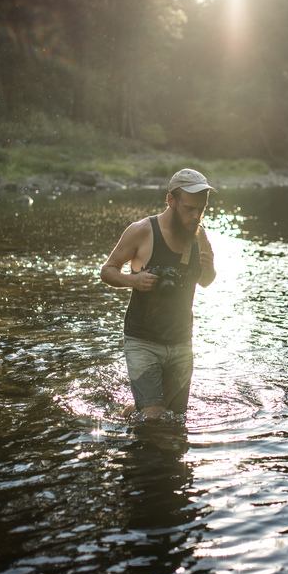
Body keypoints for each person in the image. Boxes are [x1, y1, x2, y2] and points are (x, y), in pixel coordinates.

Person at [100, 168, 217, 420]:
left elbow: (206, 281)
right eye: (189, 208)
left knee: (176, 416)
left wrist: (208, 269)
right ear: (171, 201)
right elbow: (107, 271)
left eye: (201, 209)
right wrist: (134, 280)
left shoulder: (200, 235)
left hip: (181, 341)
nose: (196, 215)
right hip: (143, 340)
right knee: (154, 418)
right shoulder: (142, 231)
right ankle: (145, 412)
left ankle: (132, 410)